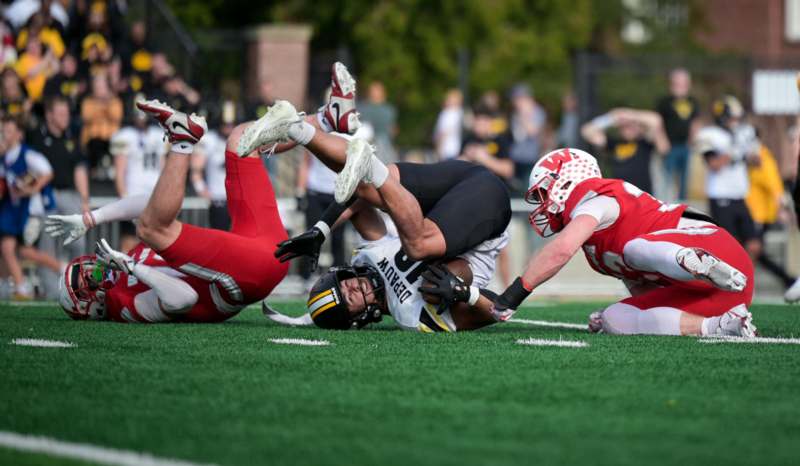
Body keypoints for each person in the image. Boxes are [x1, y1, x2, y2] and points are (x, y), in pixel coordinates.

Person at [236, 64, 512, 329]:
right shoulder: (412, 316)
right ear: (358, 319)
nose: (355, 286)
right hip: (489, 209)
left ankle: (296, 127)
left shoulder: (369, 257)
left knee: (368, 190)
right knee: (429, 270)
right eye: (351, 297)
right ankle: (369, 165)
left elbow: (358, 201)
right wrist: (465, 294)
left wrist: (321, 230)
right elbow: (500, 308)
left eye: (346, 284)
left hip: (459, 182)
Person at [452, 148, 756, 338]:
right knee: (615, 319)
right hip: (716, 292)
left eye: (545, 192)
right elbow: (645, 291)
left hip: (717, 247)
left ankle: (690, 258)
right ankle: (721, 326)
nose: (542, 204)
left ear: (567, 178)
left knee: (634, 249)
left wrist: (512, 296)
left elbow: (560, 251)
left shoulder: (595, 198)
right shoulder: (595, 245)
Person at [45, 99, 289, 323]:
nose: (94, 272)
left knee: (242, 140)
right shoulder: (122, 305)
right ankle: (182, 141)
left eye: (88, 269)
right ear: (87, 305)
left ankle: (319, 123)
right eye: (87, 281)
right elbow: (183, 299)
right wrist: (133, 267)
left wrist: (91, 219)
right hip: (242, 279)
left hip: (261, 245)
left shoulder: (133, 256)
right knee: (150, 228)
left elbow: (147, 205)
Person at [25, 96, 89, 298]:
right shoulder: (36, 137)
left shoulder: (72, 137)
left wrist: (84, 200)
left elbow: (79, 169)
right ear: (49, 115)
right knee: (48, 244)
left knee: (78, 242)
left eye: (67, 114)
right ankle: (53, 292)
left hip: (70, 195)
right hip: (47, 197)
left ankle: (79, 288)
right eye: (61, 114)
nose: (66, 118)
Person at [0, 116, 60, 299]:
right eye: (3, 131)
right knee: (9, 248)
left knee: (19, 250)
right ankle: (17, 285)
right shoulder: (4, 158)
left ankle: (61, 269)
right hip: (16, 213)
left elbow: (48, 172)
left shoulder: (27, 154)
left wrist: (31, 188)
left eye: (8, 131)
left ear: (19, 134)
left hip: (33, 211)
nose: (4, 134)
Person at [695, 96, 761, 259]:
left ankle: (744, 279)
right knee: (728, 246)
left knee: (754, 244)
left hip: (740, 195)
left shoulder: (743, 132)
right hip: (720, 196)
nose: (736, 121)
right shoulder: (709, 134)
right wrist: (733, 150)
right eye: (732, 117)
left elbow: (757, 162)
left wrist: (751, 150)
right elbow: (713, 164)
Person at [109, 97, 168, 251]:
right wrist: (124, 196)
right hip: (133, 194)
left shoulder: (159, 134)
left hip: (155, 196)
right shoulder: (124, 135)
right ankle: (126, 275)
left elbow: (163, 167)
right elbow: (120, 170)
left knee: (157, 244)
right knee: (129, 244)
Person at [581, 107, 670, 195]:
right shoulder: (614, 144)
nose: (627, 129)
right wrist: (610, 119)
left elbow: (655, 120)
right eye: (624, 127)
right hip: (621, 195)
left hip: (643, 195)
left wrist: (629, 115)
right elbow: (587, 131)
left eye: (631, 126)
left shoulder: (644, 142)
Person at [191, 100, 236, 231]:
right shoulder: (209, 140)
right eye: (225, 124)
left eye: (230, 124)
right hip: (218, 200)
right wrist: (202, 190)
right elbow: (196, 170)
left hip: (238, 202)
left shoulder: (240, 139)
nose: (228, 127)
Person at [657, 68, 700, 200]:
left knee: (684, 179)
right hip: (670, 146)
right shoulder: (664, 102)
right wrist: (662, 140)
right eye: (676, 83)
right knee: (667, 178)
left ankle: (682, 204)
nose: (679, 87)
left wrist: (693, 140)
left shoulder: (693, 102)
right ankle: (665, 203)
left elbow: (695, 122)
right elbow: (658, 122)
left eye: (682, 83)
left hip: (685, 146)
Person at [80, 72, 123, 175]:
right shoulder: (88, 101)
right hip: (93, 138)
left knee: (118, 146)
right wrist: (100, 105)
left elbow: (116, 117)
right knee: (95, 143)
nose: (99, 90)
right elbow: (87, 117)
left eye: (102, 87)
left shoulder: (115, 101)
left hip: (112, 137)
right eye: (97, 87)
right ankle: (94, 172)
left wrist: (107, 104)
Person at [508, 83, 547, 189]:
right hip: (515, 157)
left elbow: (533, 131)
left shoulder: (538, 112)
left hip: (529, 158)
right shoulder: (515, 113)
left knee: (527, 188)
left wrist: (524, 116)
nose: (516, 103)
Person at [358, 80, 398, 163]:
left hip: (368, 147)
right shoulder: (389, 110)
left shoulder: (361, 108)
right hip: (383, 146)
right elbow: (393, 130)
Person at [433, 89, 463, 161]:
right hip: (454, 148)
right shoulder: (459, 112)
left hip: (448, 149)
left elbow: (443, 132)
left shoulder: (449, 113)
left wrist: (439, 147)